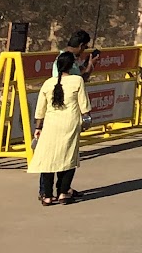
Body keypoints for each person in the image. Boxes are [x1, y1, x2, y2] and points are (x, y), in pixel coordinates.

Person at [27, 51, 91, 205]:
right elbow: (85, 107)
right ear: (72, 66)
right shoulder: (77, 81)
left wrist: (38, 128)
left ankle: (47, 196)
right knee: (69, 158)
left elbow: (40, 110)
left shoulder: (48, 83)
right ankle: (63, 192)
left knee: (48, 159)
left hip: (50, 125)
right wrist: (87, 121)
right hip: (70, 123)